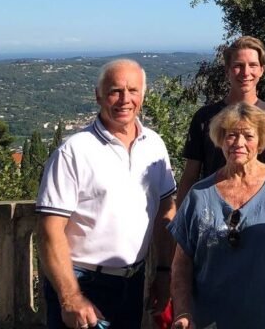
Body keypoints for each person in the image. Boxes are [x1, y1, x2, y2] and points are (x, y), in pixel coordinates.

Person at [36, 59, 176, 329]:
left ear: (143, 95)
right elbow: (49, 230)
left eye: (133, 90)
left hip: (133, 282)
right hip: (83, 283)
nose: (125, 99)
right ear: (98, 96)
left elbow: (166, 210)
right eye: (115, 91)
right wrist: (71, 297)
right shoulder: (74, 151)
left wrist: (163, 272)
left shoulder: (154, 145)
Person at [169, 102, 265, 329]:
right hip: (211, 320)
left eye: (248, 136)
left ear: (261, 141)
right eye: (231, 135)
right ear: (220, 139)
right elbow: (181, 264)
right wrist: (183, 312)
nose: (239, 143)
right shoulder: (199, 194)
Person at [177, 35, 265, 201]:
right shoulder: (205, 117)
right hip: (212, 207)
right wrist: (182, 213)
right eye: (238, 66)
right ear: (227, 70)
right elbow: (190, 176)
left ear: (262, 70)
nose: (246, 72)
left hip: (261, 208)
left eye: (253, 65)